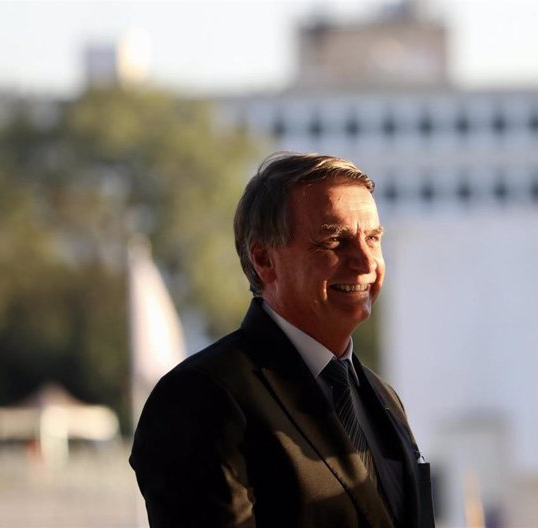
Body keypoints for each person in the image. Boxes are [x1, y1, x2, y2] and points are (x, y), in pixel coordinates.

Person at [130, 152, 434, 528]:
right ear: (264, 259)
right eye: (334, 241)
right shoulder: (198, 399)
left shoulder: (383, 397)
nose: (365, 261)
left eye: (372, 238)